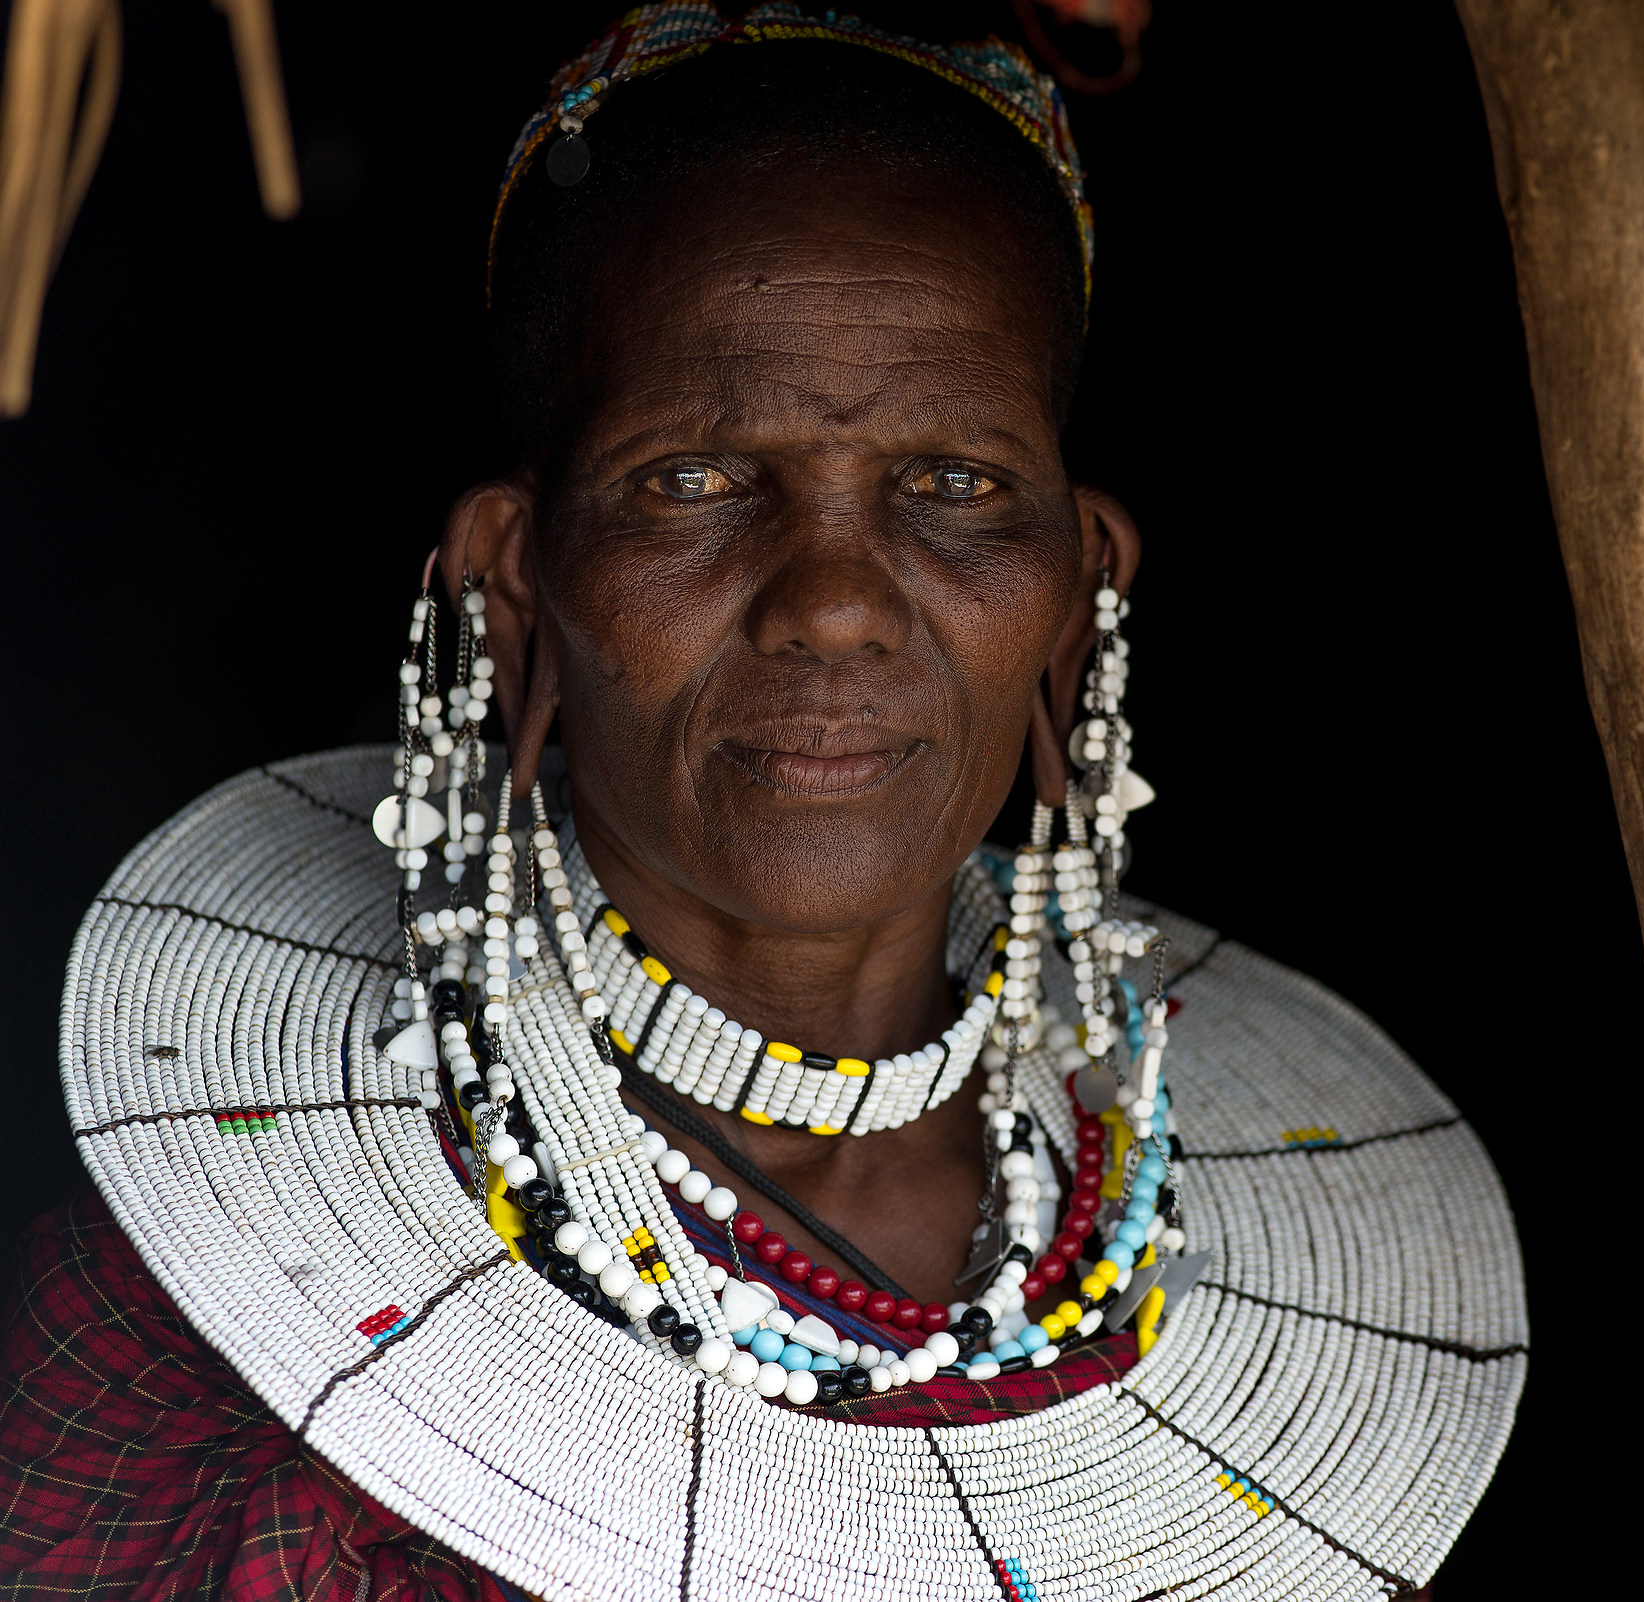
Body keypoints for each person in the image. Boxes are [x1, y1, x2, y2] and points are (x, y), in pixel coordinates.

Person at [0, 10, 1524, 1598]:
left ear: (1079, 590)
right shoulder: (206, 1316)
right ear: (518, 583)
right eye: (698, 480)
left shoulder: (1163, 1268)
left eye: (952, 484)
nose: (835, 604)